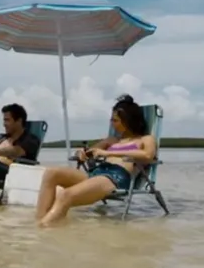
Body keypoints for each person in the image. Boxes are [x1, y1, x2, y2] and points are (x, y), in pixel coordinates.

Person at [34, 95, 156, 227]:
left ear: (128, 121)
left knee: (65, 195)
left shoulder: (145, 139)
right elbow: (91, 151)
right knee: (51, 173)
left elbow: (148, 155)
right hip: (96, 174)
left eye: (115, 120)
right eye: (111, 120)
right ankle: (39, 221)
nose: (112, 123)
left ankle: (42, 229)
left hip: (115, 178)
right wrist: (81, 153)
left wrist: (108, 153)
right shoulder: (112, 140)